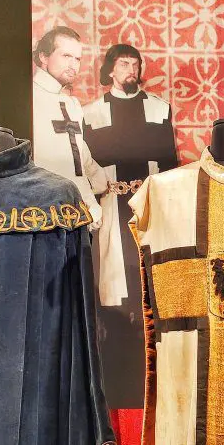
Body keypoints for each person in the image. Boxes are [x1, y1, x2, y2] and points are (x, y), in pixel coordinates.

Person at [82, 44, 178, 408]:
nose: (131, 69)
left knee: (151, 283)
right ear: (110, 69)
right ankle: (119, 380)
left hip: (149, 204)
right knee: (114, 283)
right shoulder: (90, 113)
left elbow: (169, 164)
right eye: (123, 63)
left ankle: (156, 377)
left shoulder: (159, 108)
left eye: (135, 63)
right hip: (110, 206)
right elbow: (86, 167)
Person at [32, 26, 107, 224]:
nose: (73, 64)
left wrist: (93, 194)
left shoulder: (72, 104)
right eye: (66, 56)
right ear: (43, 56)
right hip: (42, 208)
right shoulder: (29, 98)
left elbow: (78, 157)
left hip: (75, 209)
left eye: (77, 59)